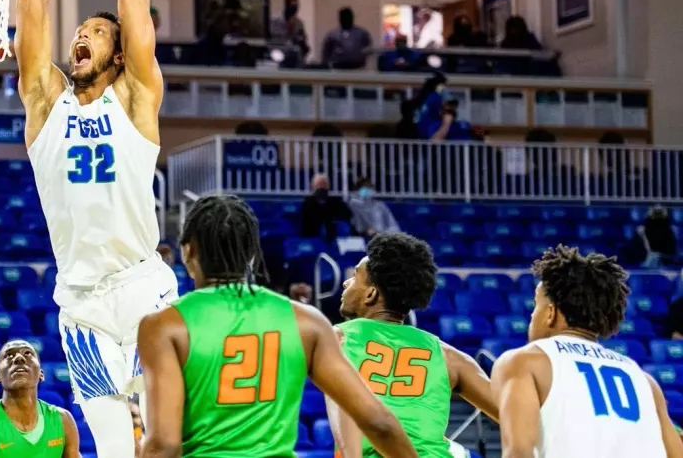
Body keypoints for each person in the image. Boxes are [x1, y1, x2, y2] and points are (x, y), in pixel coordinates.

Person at [15, 0, 177, 458]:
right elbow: (31, 0)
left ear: (117, 55)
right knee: (111, 449)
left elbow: (133, 1)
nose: (82, 36)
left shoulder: (134, 99)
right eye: (79, 31)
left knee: (161, 439)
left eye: (97, 33)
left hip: (143, 290)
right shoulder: (44, 104)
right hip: (79, 300)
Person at [137, 195, 417, 458]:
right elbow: (378, 422)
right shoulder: (307, 322)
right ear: (251, 254)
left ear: (188, 251)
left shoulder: (163, 326)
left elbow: (165, 445)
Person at [491, 246, 683, 458]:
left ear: (551, 313)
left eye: (536, 306)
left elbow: (518, 454)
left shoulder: (522, 362)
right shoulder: (645, 381)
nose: (532, 316)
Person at [329, 232, 497, 458]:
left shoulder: (335, 338)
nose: (346, 282)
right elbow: (520, 418)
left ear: (371, 294)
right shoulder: (449, 357)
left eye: (355, 276)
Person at [0, 339, 81, 458]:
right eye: (9, 355)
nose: (19, 358)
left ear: (41, 373)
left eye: (27, 353)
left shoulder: (63, 421)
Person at [299, 174, 351, 241]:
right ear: (313, 186)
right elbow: (307, 220)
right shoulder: (308, 202)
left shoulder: (335, 201)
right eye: (319, 184)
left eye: (324, 184)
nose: (321, 187)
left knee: (343, 226)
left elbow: (347, 214)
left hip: (332, 227)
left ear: (328, 186)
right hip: (314, 230)